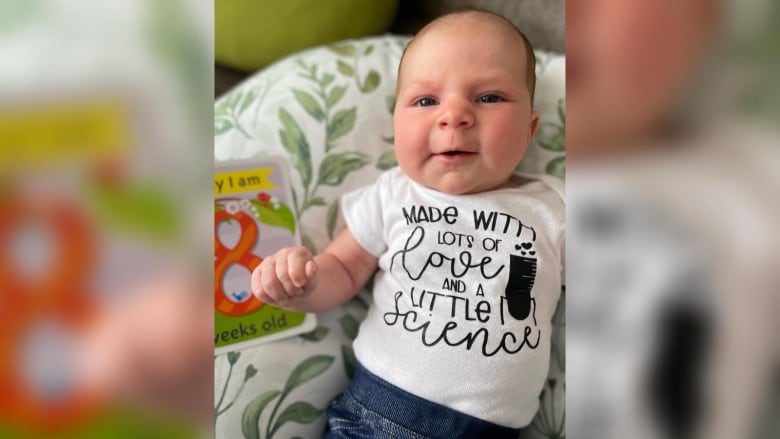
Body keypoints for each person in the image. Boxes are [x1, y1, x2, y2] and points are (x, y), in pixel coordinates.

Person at [251, 9, 564, 438]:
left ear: (529, 130)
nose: (454, 116)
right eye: (425, 101)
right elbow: (342, 268)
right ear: (396, 123)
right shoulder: (394, 194)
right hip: (378, 415)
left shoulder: (554, 207)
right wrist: (301, 284)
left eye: (488, 97)